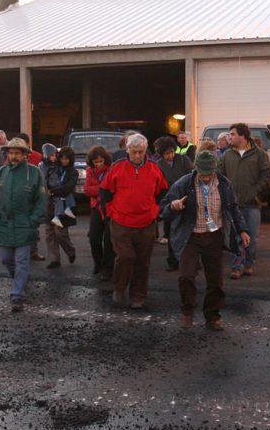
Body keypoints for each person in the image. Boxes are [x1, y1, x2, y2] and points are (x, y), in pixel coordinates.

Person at [162, 150, 251, 330]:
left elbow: (234, 208)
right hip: (190, 236)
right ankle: (187, 312)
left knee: (215, 279)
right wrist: (174, 206)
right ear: (196, 168)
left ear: (215, 170)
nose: (205, 178)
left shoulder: (224, 184)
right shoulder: (184, 183)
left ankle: (212, 316)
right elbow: (163, 209)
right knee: (186, 276)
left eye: (209, 174)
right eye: (202, 173)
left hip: (214, 235)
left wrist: (242, 230)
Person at [100, 133, 169, 308]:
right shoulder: (117, 167)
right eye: (134, 152)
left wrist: (156, 211)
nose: (137, 156)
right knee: (125, 256)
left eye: (141, 152)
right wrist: (108, 213)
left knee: (143, 261)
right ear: (127, 150)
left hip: (146, 223)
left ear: (146, 150)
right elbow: (105, 191)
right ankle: (119, 287)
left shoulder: (154, 168)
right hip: (121, 222)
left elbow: (162, 191)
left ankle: (138, 295)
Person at [0, 138, 46, 312]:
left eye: (17, 153)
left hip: (24, 225)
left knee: (22, 262)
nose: (14, 156)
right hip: (3, 225)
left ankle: (17, 295)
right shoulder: (1, 172)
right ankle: (20, 282)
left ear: (25, 155)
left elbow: (41, 200)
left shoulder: (34, 173)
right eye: (11, 153)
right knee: (5, 259)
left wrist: (33, 220)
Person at [217, 123, 270, 279]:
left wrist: (255, 191)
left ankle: (249, 263)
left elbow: (267, 175)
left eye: (233, 134)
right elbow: (219, 175)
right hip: (233, 205)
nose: (230, 137)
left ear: (243, 136)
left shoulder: (259, 154)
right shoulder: (227, 156)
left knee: (252, 236)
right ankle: (237, 266)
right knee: (236, 237)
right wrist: (226, 193)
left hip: (253, 204)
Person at [155, 136, 194, 269]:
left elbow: (192, 176)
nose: (170, 155)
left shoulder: (184, 160)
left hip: (185, 199)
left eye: (171, 152)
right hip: (168, 202)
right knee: (171, 232)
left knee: (188, 231)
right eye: (166, 153)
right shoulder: (158, 164)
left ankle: (191, 260)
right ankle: (173, 260)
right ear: (161, 154)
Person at [41, 145, 77, 267]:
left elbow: (68, 187)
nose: (63, 161)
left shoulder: (72, 171)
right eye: (62, 158)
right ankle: (54, 259)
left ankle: (70, 251)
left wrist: (53, 192)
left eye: (66, 159)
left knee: (60, 232)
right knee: (49, 232)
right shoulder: (52, 166)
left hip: (63, 204)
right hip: (50, 203)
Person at [83, 145, 115, 280]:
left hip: (108, 208)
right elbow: (86, 190)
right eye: (96, 162)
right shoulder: (90, 171)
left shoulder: (111, 170)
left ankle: (108, 267)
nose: (98, 164)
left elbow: (112, 188)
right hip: (96, 207)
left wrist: (97, 189)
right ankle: (98, 263)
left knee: (109, 240)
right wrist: (102, 189)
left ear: (105, 160)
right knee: (94, 239)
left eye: (100, 161)